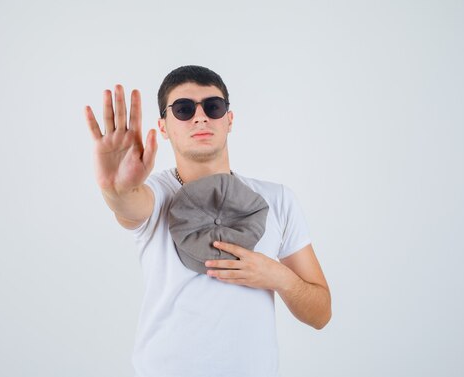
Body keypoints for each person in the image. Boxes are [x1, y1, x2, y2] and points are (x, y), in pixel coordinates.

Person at [84, 65, 331, 377]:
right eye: (184, 109)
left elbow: (321, 314)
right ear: (163, 126)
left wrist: (277, 276)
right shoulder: (158, 194)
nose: (200, 117)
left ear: (229, 119)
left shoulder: (278, 199)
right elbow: (130, 206)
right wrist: (115, 189)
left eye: (213, 107)